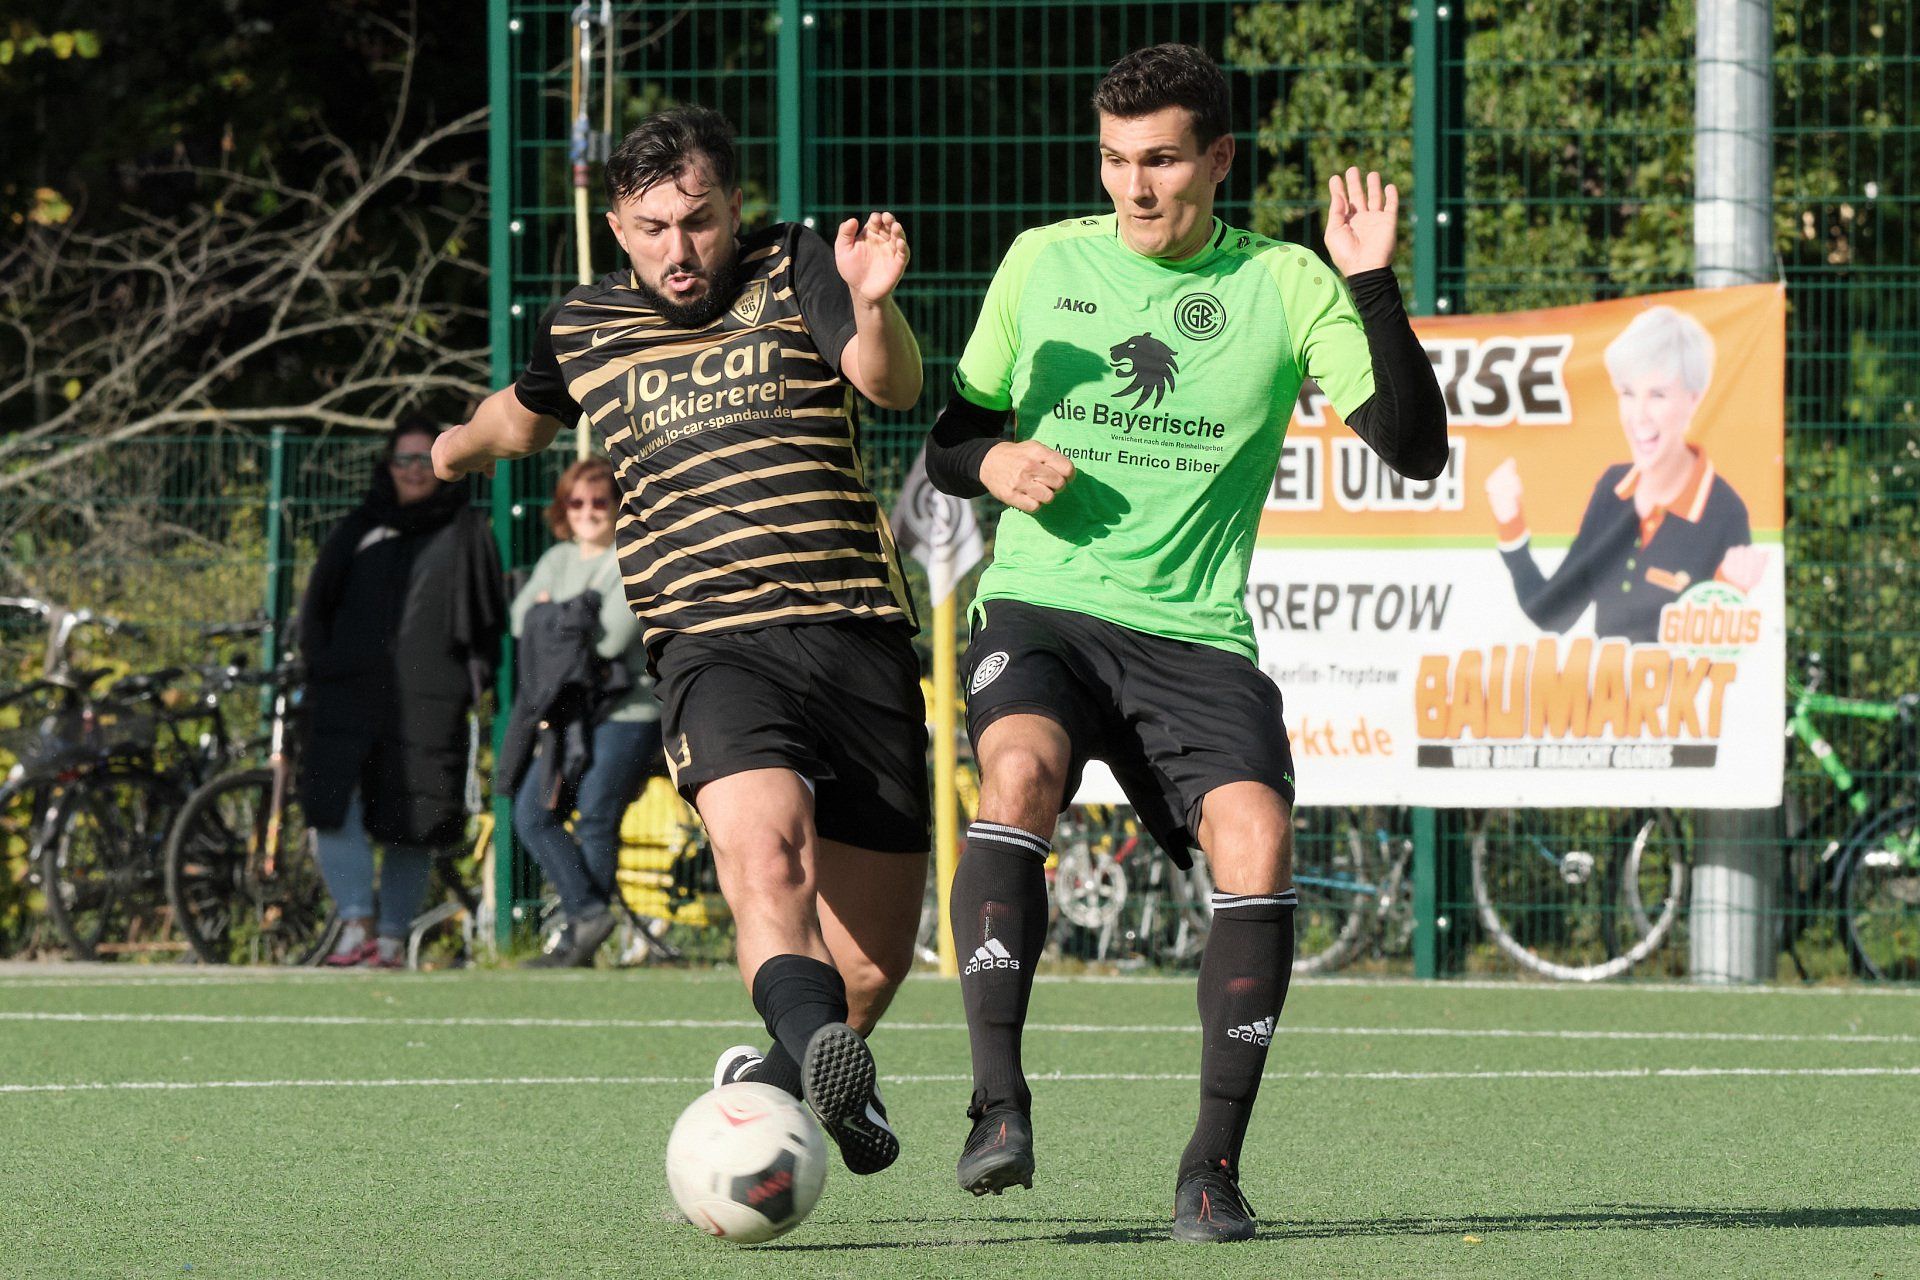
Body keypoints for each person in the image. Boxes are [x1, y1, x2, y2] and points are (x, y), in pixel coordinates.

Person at [924, 44, 1447, 1240]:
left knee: (1259, 839)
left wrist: (1372, 284)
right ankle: (998, 1105)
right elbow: (951, 438)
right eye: (1114, 159)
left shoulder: (1287, 283)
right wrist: (993, 460)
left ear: (1218, 159)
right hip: (1045, 602)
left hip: (1196, 631)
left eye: (1160, 160)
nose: (1134, 186)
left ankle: (1211, 1169)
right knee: (1018, 772)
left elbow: (1415, 449)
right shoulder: (1042, 261)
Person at [431, 107, 929, 1175]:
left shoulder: (798, 263)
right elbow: (515, 421)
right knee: (767, 858)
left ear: (734, 207)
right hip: (712, 645)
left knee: (870, 966)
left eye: (698, 221)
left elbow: (890, 384)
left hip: (856, 634)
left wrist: (874, 304)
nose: (680, 248)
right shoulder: (583, 326)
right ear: (617, 227)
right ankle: (810, 1062)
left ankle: (774, 1082)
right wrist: (449, 450)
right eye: (653, 227)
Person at [299, 417, 505, 969]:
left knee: (413, 818)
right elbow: (317, 611)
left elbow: (486, 624)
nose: (414, 470)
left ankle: (391, 940)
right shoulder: (358, 530)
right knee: (329, 804)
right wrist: (323, 670)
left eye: (424, 459)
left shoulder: (466, 531)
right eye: (403, 459)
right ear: (386, 466)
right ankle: (355, 925)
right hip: (347, 696)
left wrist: (471, 684)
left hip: (428, 704)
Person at [1484, 304, 1764, 643]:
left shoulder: (1725, 512)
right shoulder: (1612, 489)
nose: (1639, 415)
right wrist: (1510, 521)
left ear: (1694, 399)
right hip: (1603, 680)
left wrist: (1729, 590)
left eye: (1657, 395)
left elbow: (1716, 659)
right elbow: (1552, 614)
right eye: (1628, 393)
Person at [504, 456, 663, 968]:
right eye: (576, 502)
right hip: (567, 713)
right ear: (563, 508)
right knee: (532, 814)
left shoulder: (630, 559)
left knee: (595, 817)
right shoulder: (557, 558)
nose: (588, 511)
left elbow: (611, 640)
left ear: (618, 506)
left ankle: (581, 940)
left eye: (600, 501)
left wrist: (550, 614)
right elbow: (518, 622)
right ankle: (588, 915)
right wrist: (573, 618)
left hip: (628, 712)